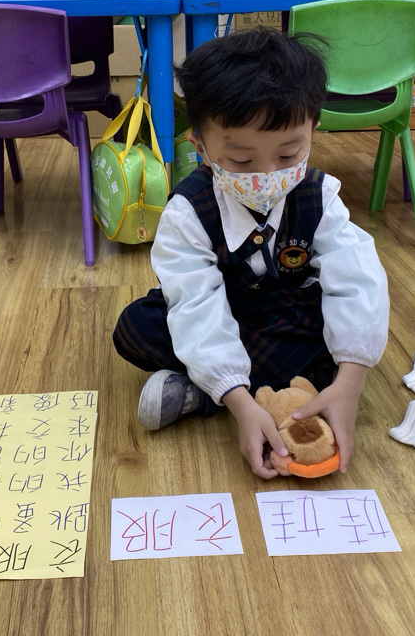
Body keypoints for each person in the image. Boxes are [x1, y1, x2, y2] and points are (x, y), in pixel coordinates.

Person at [112, 26, 389, 479]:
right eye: (241, 161)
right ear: (201, 148)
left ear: (312, 130)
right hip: (226, 310)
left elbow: (358, 282)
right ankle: (238, 390)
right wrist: (239, 403)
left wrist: (351, 386)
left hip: (287, 316)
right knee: (137, 327)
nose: (265, 175)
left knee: (344, 338)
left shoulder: (320, 197)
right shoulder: (189, 211)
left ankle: (204, 393)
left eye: (289, 154)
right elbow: (195, 302)